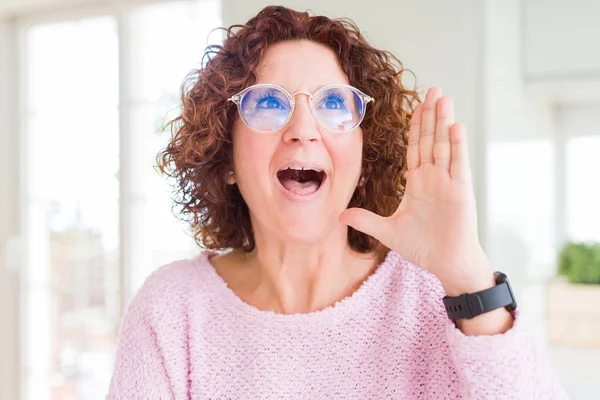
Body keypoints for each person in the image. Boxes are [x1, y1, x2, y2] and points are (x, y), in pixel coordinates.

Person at [107, 5, 568, 399]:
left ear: (364, 157)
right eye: (268, 103)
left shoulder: (437, 298)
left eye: (334, 104)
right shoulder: (172, 311)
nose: (303, 128)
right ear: (225, 156)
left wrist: (469, 276)